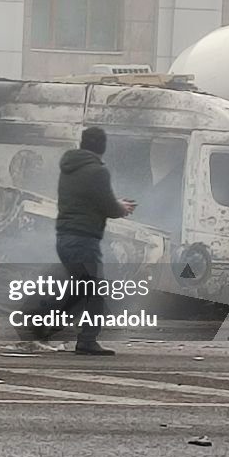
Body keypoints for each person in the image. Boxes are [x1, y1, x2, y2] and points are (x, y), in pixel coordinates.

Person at [54, 127, 136, 356]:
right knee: (94, 292)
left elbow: (87, 199)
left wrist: (114, 203)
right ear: (103, 146)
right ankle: (87, 340)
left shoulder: (69, 167)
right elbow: (108, 206)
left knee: (79, 290)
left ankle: (40, 324)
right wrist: (122, 207)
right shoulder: (98, 171)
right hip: (83, 239)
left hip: (64, 237)